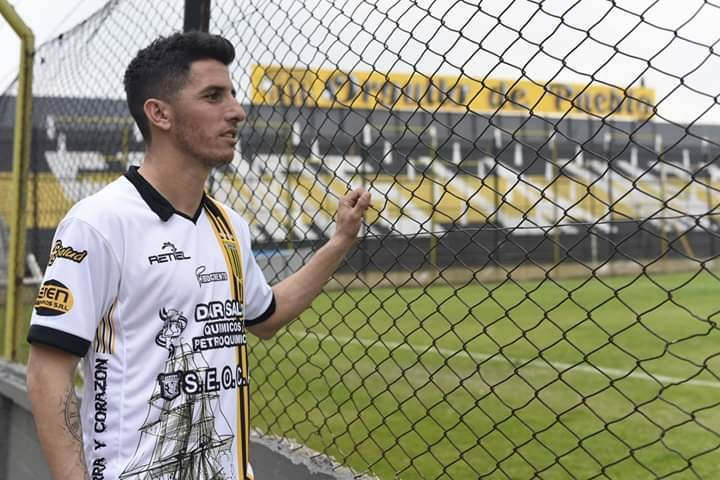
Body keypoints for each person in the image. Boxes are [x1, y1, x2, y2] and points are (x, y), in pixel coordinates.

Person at [25, 31, 371, 480]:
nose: (237, 111)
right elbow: (47, 373)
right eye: (213, 96)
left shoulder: (230, 226)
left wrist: (340, 240)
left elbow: (266, 317)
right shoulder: (98, 224)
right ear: (160, 114)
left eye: (233, 94)